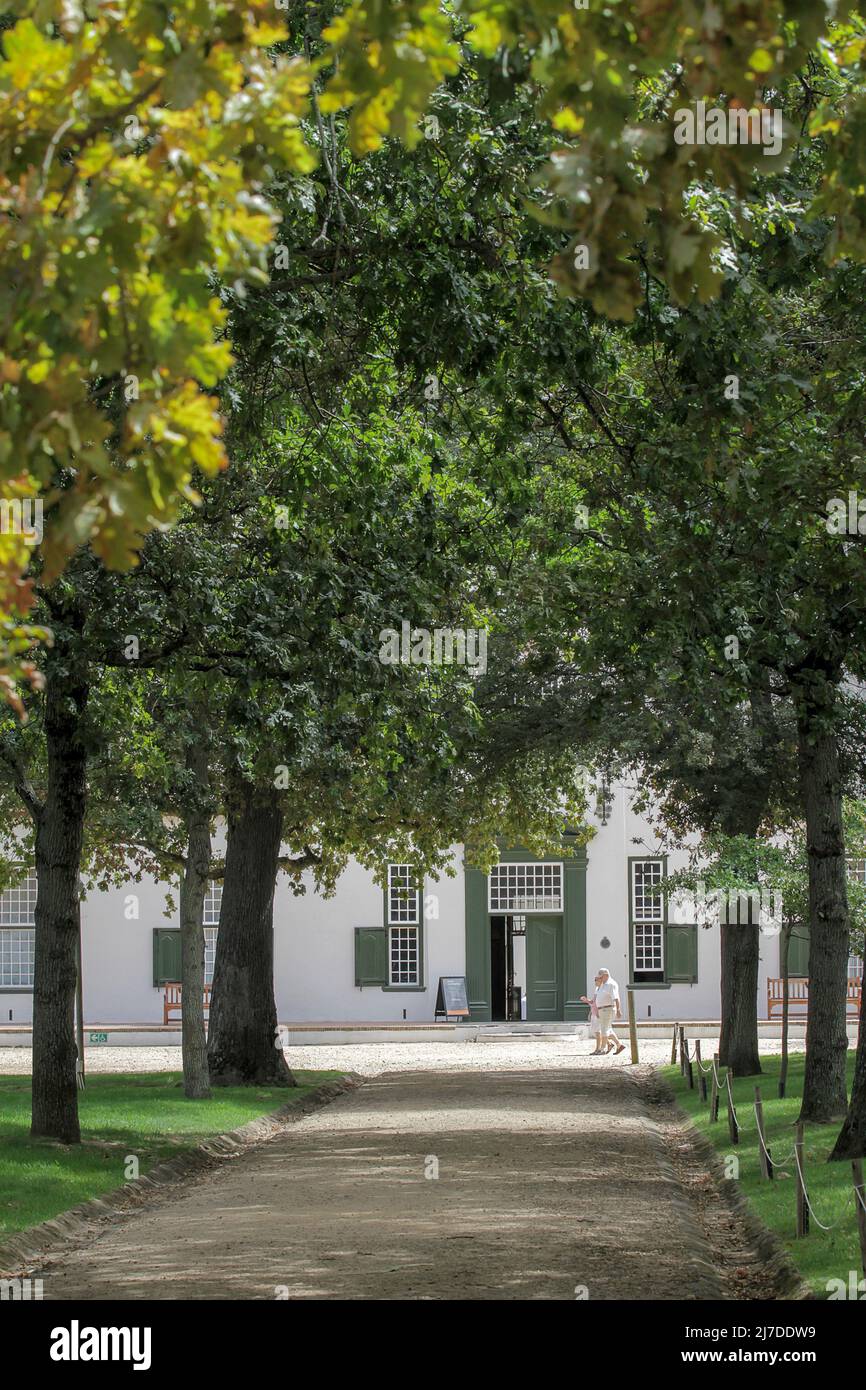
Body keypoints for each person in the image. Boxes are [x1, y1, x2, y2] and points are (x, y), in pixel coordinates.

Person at [595, 968, 625, 1055]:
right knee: (607, 1029)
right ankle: (619, 1045)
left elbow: (616, 998)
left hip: (608, 1009)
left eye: (601, 977)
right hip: (602, 1009)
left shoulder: (611, 984)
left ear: (606, 975)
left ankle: (603, 1049)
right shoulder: (603, 984)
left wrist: (619, 1009)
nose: (600, 979)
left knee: (604, 1029)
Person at [580, 973, 605, 1054]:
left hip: (598, 1013)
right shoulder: (597, 989)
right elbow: (593, 1002)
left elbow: (599, 1003)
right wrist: (586, 1000)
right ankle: (608, 1044)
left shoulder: (602, 990)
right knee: (596, 1031)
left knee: (598, 1032)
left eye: (596, 980)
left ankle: (598, 1049)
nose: (595, 981)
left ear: (601, 980)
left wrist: (597, 1012)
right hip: (594, 1013)